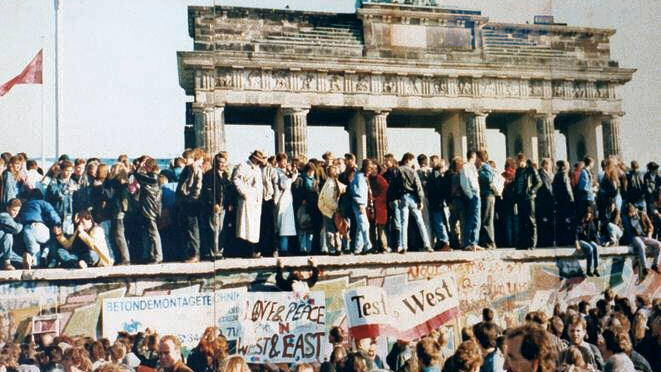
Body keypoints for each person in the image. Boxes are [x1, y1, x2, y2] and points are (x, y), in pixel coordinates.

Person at [232, 150, 266, 258]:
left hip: (256, 200)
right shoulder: (243, 166)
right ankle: (247, 250)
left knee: (254, 227)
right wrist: (243, 192)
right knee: (246, 225)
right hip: (247, 198)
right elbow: (236, 179)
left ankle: (253, 250)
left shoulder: (257, 169)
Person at [19, 189, 62, 269]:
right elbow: (52, 213)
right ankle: (45, 254)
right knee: (51, 237)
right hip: (38, 226)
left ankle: (32, 260)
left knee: (34, 253)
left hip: (26, 229)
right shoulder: (42, 202)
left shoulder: (25, 205)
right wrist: (58, 222)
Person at [397, 153, 432, 253]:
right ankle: (427, 244)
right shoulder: (413, 171)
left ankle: (404, 246)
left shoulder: (399, 170)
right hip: (413, 198)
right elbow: (418, 187)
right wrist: (420, 200)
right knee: (420, 221)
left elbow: (394, 186)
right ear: (408, 160)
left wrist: (394, 198)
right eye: (412, 160)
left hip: (403, 197)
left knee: (404, 222)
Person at [176, 149, 204, 263]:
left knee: (193, 229)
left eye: (186, 158)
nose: (184, 160)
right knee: (188, 228)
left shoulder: (195, 169)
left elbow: (198, 186)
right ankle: (190, 253)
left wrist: (193, 198)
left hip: (192, 202)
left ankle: (195, 254)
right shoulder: (187, 169)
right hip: (186, 201)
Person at [201, 152, 231, 260]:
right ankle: (213, 251)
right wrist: (213, 203)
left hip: (223, 206)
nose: (221, 164)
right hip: (214, 206)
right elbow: (208, 191)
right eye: (219, 162)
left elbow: (227, 190)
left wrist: (229, 203)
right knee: (214, 229)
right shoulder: (210, 174)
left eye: (223, 162)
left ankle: (219, 250)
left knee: (221, 229)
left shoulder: (224, 175)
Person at [133, 157, 163, 264]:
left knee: (153, 233)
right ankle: (151, 255)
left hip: (149, 209)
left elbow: (136, 175)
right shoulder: (156, 178)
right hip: (153, 207)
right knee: (149, 233)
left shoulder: (151, 179)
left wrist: (140, 165)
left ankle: (158, 256)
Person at [622, 203, 660, 280]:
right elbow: (627, 231)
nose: (630, 216)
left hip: (645, 236)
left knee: (659, 244)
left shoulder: (642, 214)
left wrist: (649, 234)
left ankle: (655, 264)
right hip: (635, 237)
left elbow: (650, 226)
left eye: (630, 214)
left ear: (633, 211)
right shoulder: (628, 218)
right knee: (641, 245)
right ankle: (645, 267)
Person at [513, 157, 542, 250]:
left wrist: (532, 191)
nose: (518, 164)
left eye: (520, 161)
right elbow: (516, 184)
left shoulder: (531, 169)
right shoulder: (518, 172)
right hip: (520, 198)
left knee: (531, 220)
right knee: (522, 220)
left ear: (524, 161)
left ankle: (532, 243)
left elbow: (539, 182)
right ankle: (523, 243)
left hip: (529, 198)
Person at [293, 162, 321, 255]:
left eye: (312, 171)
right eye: (309, 171)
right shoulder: (300, 179)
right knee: (302, 228)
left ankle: (309, 248)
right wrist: (301, 200)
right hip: (303, 207)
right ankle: (302, 249)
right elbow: (296, 192)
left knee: (310, 229)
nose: (311, 173)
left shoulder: (315, 181)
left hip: (313, 207)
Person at [105, 163, 130, 265]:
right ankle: (124, 257)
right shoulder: (125, 184)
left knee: (119, 235)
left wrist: (107, 181)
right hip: (122, 211)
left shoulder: (115, 183)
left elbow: (109, 196)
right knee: (119, 235)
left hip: (117, 211)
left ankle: (125, 258)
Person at [318, 164, 345, 255]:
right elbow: (328, 199)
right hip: (329, 210)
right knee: (331, 230)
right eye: (336, 170)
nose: (338, 172)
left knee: (336, 230)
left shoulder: (333, 181)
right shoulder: (330, 183)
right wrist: (336, 207)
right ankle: (333, 249)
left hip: (331, 209)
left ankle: (337, 248)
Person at [273, 153, 297, 256]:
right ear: (278, 162)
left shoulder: (286, 171)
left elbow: (292, 180)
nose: (284, 163)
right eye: (282, 161)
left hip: (288, 198)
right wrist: (288, 176)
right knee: (282, 224)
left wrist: (293, 173)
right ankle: (282, 248)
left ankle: (285, 247)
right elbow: (283, 185)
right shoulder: (277, 171)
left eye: (285, 161)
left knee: (287, 225)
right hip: (281, 198)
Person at [46, 160, 78, 237]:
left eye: (71, 171)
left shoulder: (73, 183)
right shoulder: (54, 183)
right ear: (61, 170)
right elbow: (54, 194)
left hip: (69, 217)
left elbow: (77, 201)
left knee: (68, 240)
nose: (69, 173)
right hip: (56, 216)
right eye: (67, 170)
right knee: (54, 240)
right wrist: (67, 190)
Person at [426, 158, 450, 251]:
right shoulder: (439, 176)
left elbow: (435, 189)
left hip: (435, 202)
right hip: (438, 202)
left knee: (438, 222)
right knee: (440, 222)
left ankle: (444, 241)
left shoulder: (434, 176)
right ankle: (443, 241)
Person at [350, 159, 372, 255]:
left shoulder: (360, 176)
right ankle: (368, 246)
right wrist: (360, 204)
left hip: (360, 204)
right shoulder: (359, 178)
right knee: (365, 225)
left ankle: (357, 248)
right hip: (360, 204)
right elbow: (356, 192)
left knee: (360, 226)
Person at [460, 151, 482, 251]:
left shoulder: (473, 167)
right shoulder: (466, 167)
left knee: (476, 219)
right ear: (473, 157)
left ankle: (474, 242)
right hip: (472, 195)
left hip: (476, 194)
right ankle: (469, 242)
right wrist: (470, 195)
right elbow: (464, 183)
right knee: (471, 219)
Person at [369, 163, 390, 253]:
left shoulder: (380, 179)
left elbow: (385, 190)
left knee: (381, 228)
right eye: (372, 169)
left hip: (380, 206)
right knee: (372, 227)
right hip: (372, 206)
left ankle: (383, 246)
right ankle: (374, 246)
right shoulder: (368, 179)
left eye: (375, 169)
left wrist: (376, 198)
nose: (374, 170)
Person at [477, 150, 496, 250]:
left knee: (487, 219)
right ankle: (488, 242)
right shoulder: (485, 167)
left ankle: (490, 242)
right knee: (486, 219)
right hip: (487, 195)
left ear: (480, 158)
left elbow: (488, 178)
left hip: (487, 195)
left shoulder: (485, 167)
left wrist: (479, 173)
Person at [553, 161, 575, 246]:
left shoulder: (556, 176)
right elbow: (568, 189)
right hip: (565, 202)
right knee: (566, 221)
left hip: (558, 202)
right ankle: (567, 240)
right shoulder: (564, 175)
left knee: (560, 222)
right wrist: (572, 200)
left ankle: (560, 241)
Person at [575, 207, 602, 277]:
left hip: (589, 240)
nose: (588, 215)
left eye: (589, 214)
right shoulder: (580, 222)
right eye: (587, 214)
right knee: (590, 248)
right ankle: (588, 269)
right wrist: (577, 244)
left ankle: (596, 268)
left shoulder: (591, 222)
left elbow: (594, 234)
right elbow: (576, 234)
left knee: (595, 247)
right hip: (581, 240)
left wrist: (598, 243)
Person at [536, 158, 555, 247]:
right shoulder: (541, 174)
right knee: (544, 221)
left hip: (549, 201)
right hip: (544, 201)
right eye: (549, 164)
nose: (550, 166)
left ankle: (549, 240)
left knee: (549, 221)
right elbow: (546, 188)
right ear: (545, 165)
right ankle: (544, 241)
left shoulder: (550, 174)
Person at [0, 198, 23, 270]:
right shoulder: (4, 215)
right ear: (7, 208)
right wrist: (20, 224)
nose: (16, 213)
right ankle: (7, 263)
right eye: (14, 210)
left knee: (21, 260)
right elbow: (17, 229)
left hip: (2, 251)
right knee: (8, 234)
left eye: (18, 211)